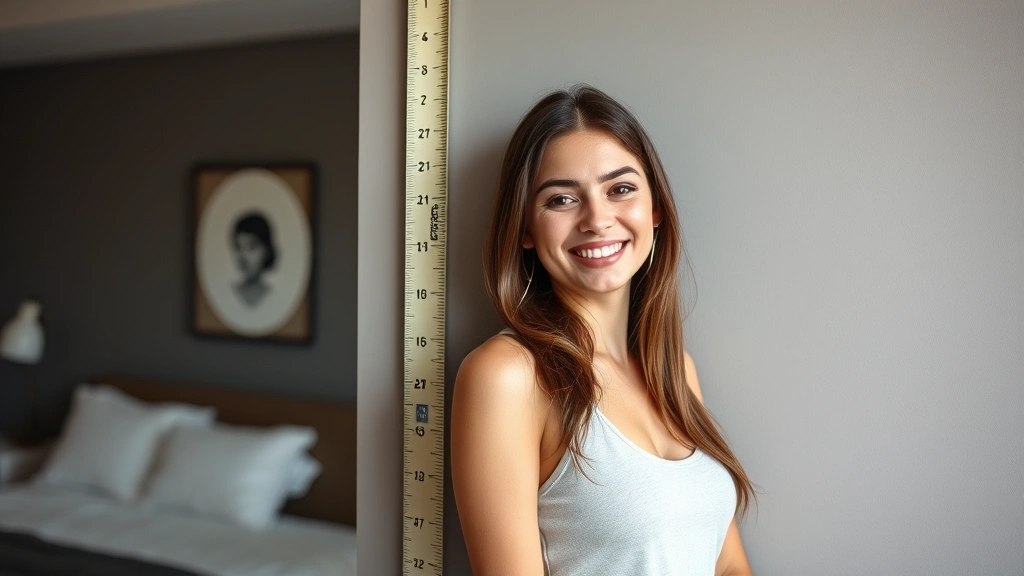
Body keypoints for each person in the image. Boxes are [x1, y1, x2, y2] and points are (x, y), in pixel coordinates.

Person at [451, 84, 759, 576]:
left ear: (654, 210)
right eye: (561, 199)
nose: (597, 219)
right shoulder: (506, 376)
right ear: (525, 228)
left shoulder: (676, 370)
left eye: (620, 189)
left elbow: (728, 565)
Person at [231, 211, 277, 307]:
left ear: (267, 251)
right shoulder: (229, 292)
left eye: (252, 247)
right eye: (238, 247)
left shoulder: (275, 294)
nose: (244, 256)